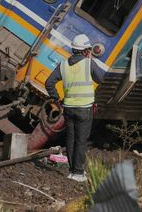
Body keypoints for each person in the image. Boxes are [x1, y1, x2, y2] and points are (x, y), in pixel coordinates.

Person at [45, 34, 105, 182]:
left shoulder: (63, 65)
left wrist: (56, 98)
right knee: (81, 140)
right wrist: (90, 59)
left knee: (71, 139)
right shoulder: (89, 63)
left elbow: (49, 83)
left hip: (69, 109)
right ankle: (78, 173)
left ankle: (72, 171)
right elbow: (100, 79)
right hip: (84, 109)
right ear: (86, 50)